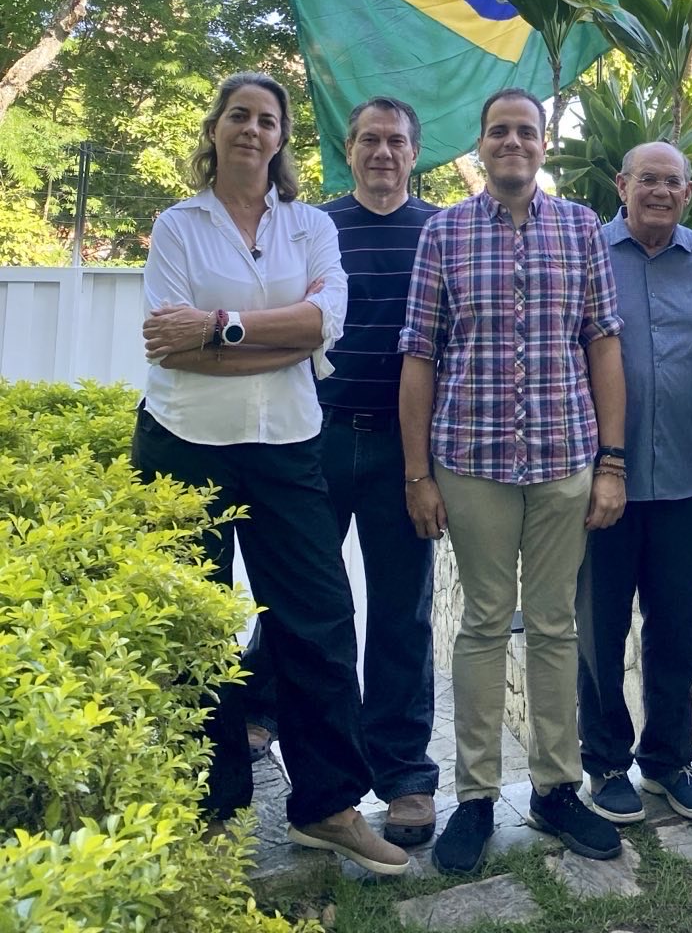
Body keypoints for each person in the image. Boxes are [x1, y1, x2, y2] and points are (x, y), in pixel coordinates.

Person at [134, 71, 409, 874]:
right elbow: (168, 346)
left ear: (284, 137)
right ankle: (211, 809)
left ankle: (326, 807)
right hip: (185, 445)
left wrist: (218, 326)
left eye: (268, 119)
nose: (253, 130)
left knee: (320, 622)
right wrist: (277, 343)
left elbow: (326, 325)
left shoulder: (310, 227)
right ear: (215, 129)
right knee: (197, 630)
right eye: (239, 116)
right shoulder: (177, 227)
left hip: (289, 446)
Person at [399, 88, 628, 875]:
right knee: (485, 625)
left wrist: (612, 462)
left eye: (525, 131)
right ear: (481, 144)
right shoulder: (444, 231)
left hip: (566, 458)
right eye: (498, 131)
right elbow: (420, 353)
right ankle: (475, 799)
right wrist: (417, 473)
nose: (512, 143)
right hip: (472, 462)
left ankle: (558, 790)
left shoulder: (582, 228)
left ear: (541, 145)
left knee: (558, 625)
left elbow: (603, 343)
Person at [242, 97, 441, 846]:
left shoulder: (438, 230)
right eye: (369, 140)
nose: (382, 152)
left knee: (401, 611)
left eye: (396, 140)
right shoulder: (314, 228)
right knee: (301, 599)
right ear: (347, 150)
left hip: (404, 448)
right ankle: (266, 712)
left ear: (414, 153)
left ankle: (405, 776)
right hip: (313, 435)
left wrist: (431, 463)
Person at [577, 142, 692, 824]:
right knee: (598, 631)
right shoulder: (587, 252)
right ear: (623, 183)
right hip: (597, 481)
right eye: (649, 179)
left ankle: (668, 761)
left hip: (689, 478)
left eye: (674, 181)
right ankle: (606, 764)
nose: (661, 191)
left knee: (675, 631)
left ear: (689, 191)